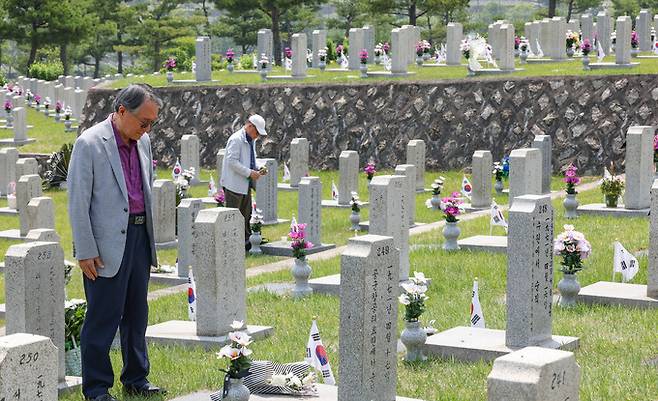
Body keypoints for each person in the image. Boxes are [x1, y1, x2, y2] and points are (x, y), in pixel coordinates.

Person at [68, 84, 164, 401]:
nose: (147, 129)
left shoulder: (143, 141)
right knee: (104, 316)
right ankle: (96, 388)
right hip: (105, 245)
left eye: (151, 123)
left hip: (138, 236)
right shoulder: (90, 143)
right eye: (143, 122)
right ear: (122, 111)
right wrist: (85, 250)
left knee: (137, 313)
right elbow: (77, 202)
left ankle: (137, 378)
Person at [220, 114, 268, 250]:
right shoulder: (236, 139)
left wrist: (259, 167)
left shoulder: (250, 140)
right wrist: (250, 172)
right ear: (250, 126)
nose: (257, 135)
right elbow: (232, 162)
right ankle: (230, 244)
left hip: (245, 183)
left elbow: (252, 159)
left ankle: (246, 242)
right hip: (234, 184)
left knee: (246, 214)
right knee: (233, 216)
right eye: (257, 132)